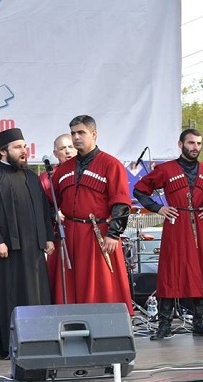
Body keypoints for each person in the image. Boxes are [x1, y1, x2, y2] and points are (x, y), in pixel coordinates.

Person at [133, 128, 203, 339]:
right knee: (171, 270)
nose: (195, 147)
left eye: (198, 143)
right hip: (176, 224)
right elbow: (139, 189)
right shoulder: (166, 170)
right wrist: (158, 208)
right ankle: (164, 324)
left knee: (202, 269)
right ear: (180, 144)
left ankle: (200, 323)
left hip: (201, 224)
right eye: (191, 143)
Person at [0, 127, 55, 359]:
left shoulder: (31, 177)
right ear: (3, 151)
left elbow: (44, 209)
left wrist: (48, 237)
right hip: (6, 250)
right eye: (18, 147)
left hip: (34, 250)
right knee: (8, 295)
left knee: (36, 295)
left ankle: (38, 340)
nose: (23, 151)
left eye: (24, 146)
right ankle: (8, 344)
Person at [50, 115, 134, 314]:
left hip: (98, 234)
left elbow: (121, 202)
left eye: (81, 132)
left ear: (94, 134)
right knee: (70, 284)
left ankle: (105, 323)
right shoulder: (63, 169)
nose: (76, 137)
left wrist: (113, 234)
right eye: (73, 133)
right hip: (69, 235)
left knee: (100, 284)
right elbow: (51, 202)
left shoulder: (111, 164)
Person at [39, 133, 77, 299]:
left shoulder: (86, 170)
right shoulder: (46, 177)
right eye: (62, 148)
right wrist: (54, 213)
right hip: (58, 234)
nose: (68, 151)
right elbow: (42, 207)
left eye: (71, 147)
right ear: (55, 153)